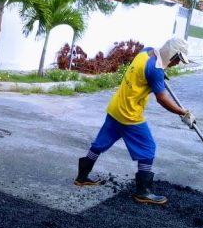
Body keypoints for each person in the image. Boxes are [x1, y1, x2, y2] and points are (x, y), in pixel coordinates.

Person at [74, 37, 196, 204]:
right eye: (178, 59)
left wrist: (161, 74)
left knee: (100, 144)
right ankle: (143, 192)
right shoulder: (155, 70)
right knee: (148, 148)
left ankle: (81, 177)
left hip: (116, 107)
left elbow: (144, 72)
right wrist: (183, 113)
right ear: (172, 54)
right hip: (129, 115)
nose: (177, 63)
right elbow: (162, 99)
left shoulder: (146, 52)